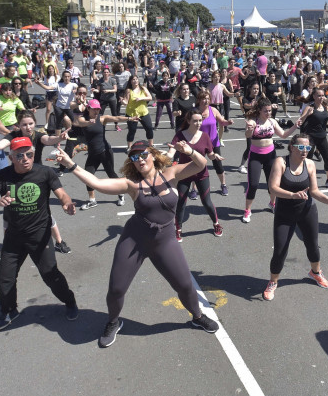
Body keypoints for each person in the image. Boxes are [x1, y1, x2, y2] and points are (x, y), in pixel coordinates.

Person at [53, 140, 219, 347]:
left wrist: (190, 151)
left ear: (153, 155)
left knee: (185, 285)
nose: (140, 160)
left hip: (165, 241)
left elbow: (201, 165)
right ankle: (113, 322)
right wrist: (71, 164)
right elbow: (97, 183)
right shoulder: (131, 183)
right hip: (135, 239)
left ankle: (197, 316)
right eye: (134, 157)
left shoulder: (171, 173)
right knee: (116, 289)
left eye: (143, 155)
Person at [0, 137, 78, 330]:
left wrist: (66, 203)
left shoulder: (45, 172)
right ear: (11, 158)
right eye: (19, 155)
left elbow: (62, 193)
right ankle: (9, 310)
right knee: (5, 278)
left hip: (39, 236)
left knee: (50, 276)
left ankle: (69, 301)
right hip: (14, 237)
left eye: (29, 154)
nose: (25, 158)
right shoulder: (2, 175)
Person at [263, 134, 328, 300]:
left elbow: (314, 191)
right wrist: (292, 195)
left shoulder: (310, 164)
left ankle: (315, 272)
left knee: (313, 245)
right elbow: (273, 188)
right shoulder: (281, 162)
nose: (305, 151)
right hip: (284, 213)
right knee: (280, 250)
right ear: (292, 147)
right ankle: (273, 282)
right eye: (301, 147)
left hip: (307, 211)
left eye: (307, 148)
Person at [242, 98, 301, 223]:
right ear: (259, 110)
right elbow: (247, 136)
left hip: (270, 156)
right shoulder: (253, 121)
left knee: (273, 184)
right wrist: (249, 129)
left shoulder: (272, 121)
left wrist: (295, 125)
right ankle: (247, 210)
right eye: (266, 111)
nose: (268, 113)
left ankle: (272, 203)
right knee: (253, 185)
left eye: (270, 110)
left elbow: (284, 135)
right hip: (255, 157)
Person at [170, 109, 225, 241]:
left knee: (207, 202)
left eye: (200, 120)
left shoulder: (205, 136)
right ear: (188, 121)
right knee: (181, 203)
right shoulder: (180, 135)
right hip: (184, 174)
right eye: (195, 120)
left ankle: (216, 224)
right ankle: (178, 230)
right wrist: (167, 154)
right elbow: (171, 152)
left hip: (201, 174)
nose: (198, 123)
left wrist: (214, 156)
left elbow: (210, 155)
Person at [74, 99, 136, 209]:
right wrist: (89, 122)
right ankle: (92, 200)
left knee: (111, 174)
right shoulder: (83, 119)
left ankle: (121, 194)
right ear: (88, 108)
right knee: (88, 177)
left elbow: (116, 118)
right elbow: (80, 123)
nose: (96, 111)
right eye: (94, 109)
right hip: (93, 153)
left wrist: (130, 118)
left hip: (105, 152)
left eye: (98, 109)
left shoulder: (102, 119)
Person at [298, 86, 328, 189]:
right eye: (319, 95)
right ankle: (304, 179)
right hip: (310, 138)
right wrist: (307, 114)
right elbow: (300, 122)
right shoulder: (310, 107)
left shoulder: (326, 107)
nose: (321, 97)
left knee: (327, 159)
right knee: (307, 159)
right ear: (314, 96)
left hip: (322, 137)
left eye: (323, 95)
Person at [124, 75, 154, 147]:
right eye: (133, 79)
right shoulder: (129, 90)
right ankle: (129, 147)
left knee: (149, 128)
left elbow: (150, 97)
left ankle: (151, 145)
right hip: (132, 114)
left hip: (143, 112)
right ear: (130, 81)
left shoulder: (143, 88)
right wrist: (122, 101)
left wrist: (141, 98)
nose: (135, 81)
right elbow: (126, 102)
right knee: (132, 131)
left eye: (136, 79)